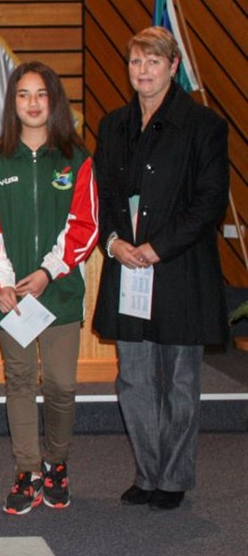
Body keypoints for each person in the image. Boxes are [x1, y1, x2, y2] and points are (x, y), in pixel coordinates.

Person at [93, 26, 229, 511]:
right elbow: (105, 197)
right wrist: (113, 242)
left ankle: (173, 477)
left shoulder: (204, 125)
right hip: (127, 268)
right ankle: (147, 473)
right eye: (135, 62)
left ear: (173, 67)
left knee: (179, 380)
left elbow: (209, 202)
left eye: (153, 62)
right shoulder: (113, 126)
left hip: (179, 271)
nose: (143, 71)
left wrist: (156, 248)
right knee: (133, 378)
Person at [0, 62, 99, 515]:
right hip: (13, 299)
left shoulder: (76, 159)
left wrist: (49, 271)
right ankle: (26, 470)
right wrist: (1, 281)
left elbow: (85, 226)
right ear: (13, 104)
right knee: (20, 381)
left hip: (58, 293)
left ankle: (57, 464)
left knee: (62, 385)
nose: (32, 103)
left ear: (54, 101)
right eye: (23, 95)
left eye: (41, 94)